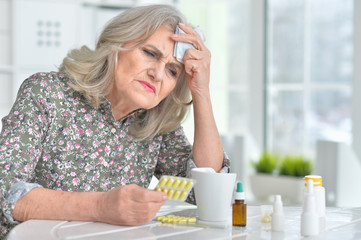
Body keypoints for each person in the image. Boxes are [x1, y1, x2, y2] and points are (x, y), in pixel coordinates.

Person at [0, 4, 230, 238]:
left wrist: (201, 91)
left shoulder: (155, 124)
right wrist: (101, 206)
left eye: (172, 71)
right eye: (150, 53)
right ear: (117, 44)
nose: (158, 74)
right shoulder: (47, 93)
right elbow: (5, 192)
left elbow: (207, 192)